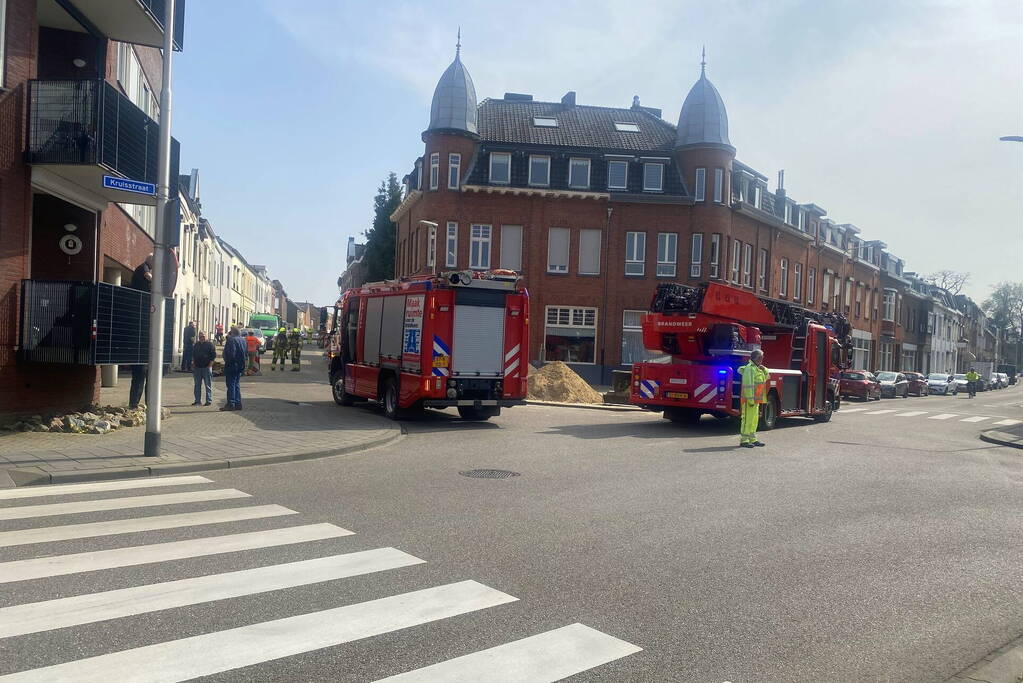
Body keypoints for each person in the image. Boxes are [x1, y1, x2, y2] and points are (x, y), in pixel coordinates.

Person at [128, 254, 153, 409]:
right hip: (141, 301)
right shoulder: (143, 268)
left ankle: (140, 403)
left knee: (143, 377)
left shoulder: (143, 268)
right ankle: (135, 404)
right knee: (140, 376)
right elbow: (149, 278)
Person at [739, 348, 769, 448]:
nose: (763, 359)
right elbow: (748, 385)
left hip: (755, 400)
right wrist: (751, 400)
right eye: (762, 357)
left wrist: (764, 369)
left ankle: (752, 439)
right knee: (747, 419)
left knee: (754, 420)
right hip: (749, 400)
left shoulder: (757, 368)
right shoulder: (750, 368)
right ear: (758, 358)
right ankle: (744, 440)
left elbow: (766, 378)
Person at [221, 326, 246, 411]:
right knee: (236, 384)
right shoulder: (243, 340)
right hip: (240, 365)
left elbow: (231, 354)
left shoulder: (231, 340)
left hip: (232, 365)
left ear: (232, 333)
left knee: (231, 384)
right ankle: (238, 403)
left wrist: (226, 359)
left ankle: (230, 404)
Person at [191, 331, 216, 406]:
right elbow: (193, 355)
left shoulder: (210, 345)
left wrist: (210, 365)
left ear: (206, 336)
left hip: (206, 367)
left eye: (203, 336)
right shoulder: (196, 345)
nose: (202, 338)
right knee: (197, 385)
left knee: (208, 385)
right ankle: (197, 401)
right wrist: (193, 363)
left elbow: (213, 355)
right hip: (197, 368)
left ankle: (208, 400)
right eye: (200, 336)